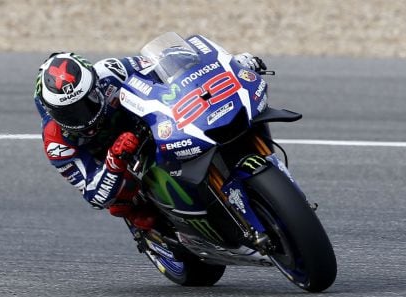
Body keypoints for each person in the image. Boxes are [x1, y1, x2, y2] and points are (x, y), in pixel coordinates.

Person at [33, 35, 266, 231]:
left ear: (95, 84)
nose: (81, 116)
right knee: (129, 209)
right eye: (69, 113)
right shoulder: (56, 142)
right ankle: (157, 233)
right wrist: (114, 160)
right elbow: (95, 195)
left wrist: (232, 64)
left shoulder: (110, 71)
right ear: (52, 111)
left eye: (87, 103)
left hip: (153, 126)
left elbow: (167, 65)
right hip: (114, 162)